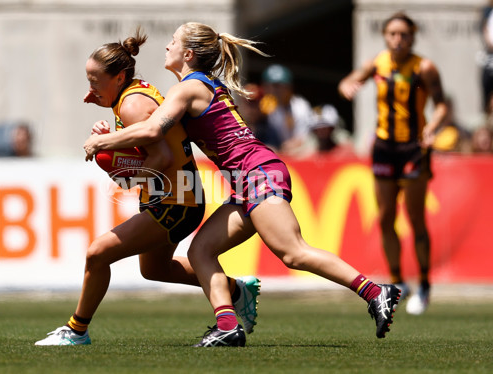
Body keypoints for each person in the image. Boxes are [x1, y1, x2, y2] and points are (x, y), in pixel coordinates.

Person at [83, 22, 401, 347]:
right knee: (201, 250)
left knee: (292, 253)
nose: (168, 46)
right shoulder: (194, 85)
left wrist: (103, 143)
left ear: (188, 54)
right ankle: (227, 326)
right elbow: (148, 130)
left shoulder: (187, 88)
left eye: (174, 41)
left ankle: (376, 292)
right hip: (247, 177)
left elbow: (152, 132)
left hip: (256, 172)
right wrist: (110, 115)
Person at [35, 29, 260, 346]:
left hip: (175, 200)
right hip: (177, 195)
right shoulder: (130, 96)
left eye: (95, 80)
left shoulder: (132, 104)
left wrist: (124, 174)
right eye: (88, 80)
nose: (90, 88)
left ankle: (76, 330)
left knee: (97, 254)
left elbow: (161, 155)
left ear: (119, 76)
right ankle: (237, 291)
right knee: (155, 269)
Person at [338, 12, 449, 315]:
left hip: (414, 148)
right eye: (392, 34)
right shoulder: (379, 62)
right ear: (386, 36)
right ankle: (398, 282)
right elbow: (350, 79)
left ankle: (424, 283)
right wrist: (348, 85)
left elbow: (442, 105)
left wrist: (433, 126)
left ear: (412, 38)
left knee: (415, 218)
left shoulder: (423, 67)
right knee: (386, 218)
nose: (397, 40)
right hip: (385, 148)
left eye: (403, 35)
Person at [259, 64, 314, 154]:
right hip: (278, 149)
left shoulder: (300, 106)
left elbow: (302, 139)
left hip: (298, 150)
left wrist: (284, 148)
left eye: (277, 86)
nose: (273, 90)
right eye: (268, 85)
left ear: (289, 87)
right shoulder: (266, 105)